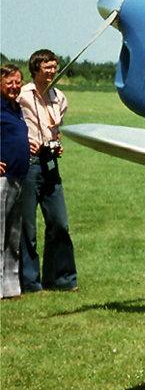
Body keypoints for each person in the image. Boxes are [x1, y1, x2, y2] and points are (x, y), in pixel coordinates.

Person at [18, 50, 77, 292]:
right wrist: (23, 142)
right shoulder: (21, 95)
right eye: (47, 67)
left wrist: (57, 143)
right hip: (28, 163)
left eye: (54, 66)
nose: (52, 71)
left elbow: (55, 129)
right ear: (35, 70)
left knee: (60, 223)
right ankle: (30, 282)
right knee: (27, 228)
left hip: (51, 163)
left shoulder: (59, 97)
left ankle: (61, 279)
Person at [1, 64, 29, 299]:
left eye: (18, 82)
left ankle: (10, 288)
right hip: (2, 179)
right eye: (9, 82)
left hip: (19, 175)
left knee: (12, 235)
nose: (14, 87)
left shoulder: (16, 108)